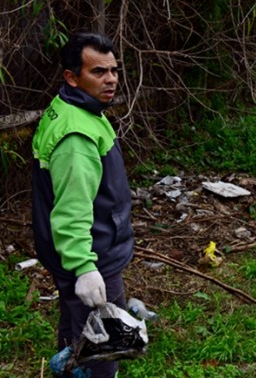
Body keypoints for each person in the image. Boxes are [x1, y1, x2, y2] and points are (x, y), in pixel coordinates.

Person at [32, 32, 134, 377]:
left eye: (114, 70)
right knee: (103, 346)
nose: (110, 80)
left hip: (90, 248)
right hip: (94, 255)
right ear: (72, 77)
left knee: (75, 322)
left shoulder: (74, 107)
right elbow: (72, 209)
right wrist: (84, 268)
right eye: (98, 72)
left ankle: (70, 362)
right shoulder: (76, 138)